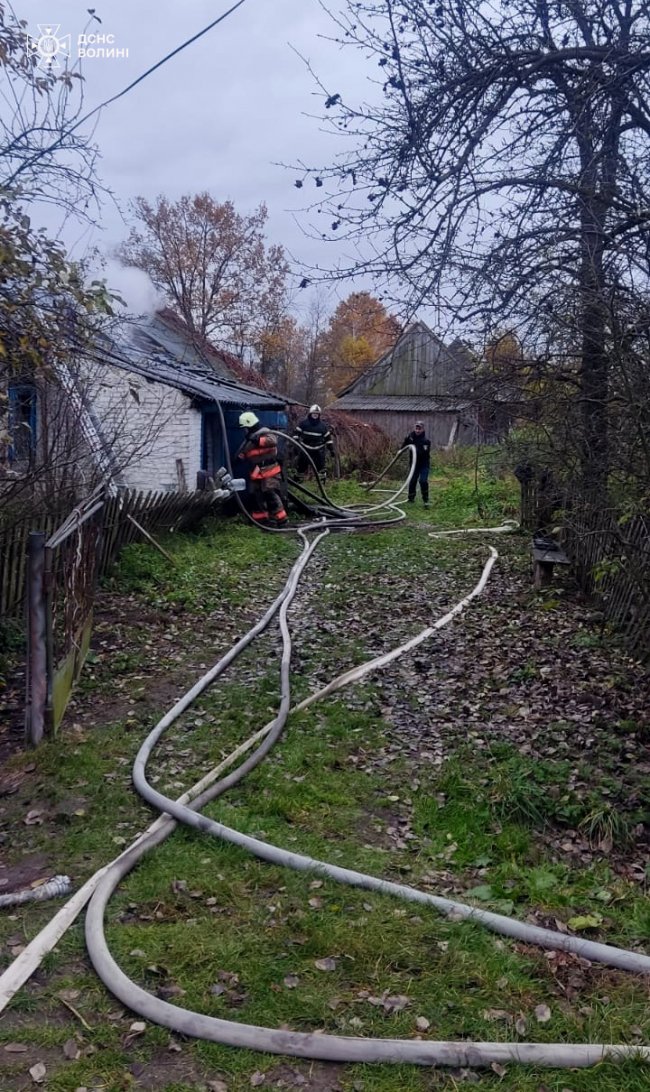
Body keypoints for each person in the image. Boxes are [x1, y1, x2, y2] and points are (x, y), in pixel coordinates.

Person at [235, 411, 288, 527]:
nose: (245, 430)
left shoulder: (265, 433)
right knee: (256, 496)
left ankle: (281, 520)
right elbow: (245, 452)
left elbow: (273, 441)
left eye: (246, 427)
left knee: (271, 494)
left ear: (251, 425)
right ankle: (261, 520)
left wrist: (257, 440)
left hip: (270, 470)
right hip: (257, 473)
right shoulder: (248, 440)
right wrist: (239, 458)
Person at [293, 404, 334, 479]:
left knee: (321, 468)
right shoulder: (303, 424)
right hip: (305, 448)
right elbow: (296, 435)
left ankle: (322, 484)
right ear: (310, 414)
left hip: (318, 450)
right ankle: (298, 481)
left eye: (317, 414)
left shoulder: (323, 426)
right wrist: (296, 446)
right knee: (301, 466)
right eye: (314, 414)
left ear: (319, 415)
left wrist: (331, 450)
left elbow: (328, 439)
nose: (315, 415)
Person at [402, 421, 431, 505]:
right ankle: (411, 499)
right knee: (413, 480)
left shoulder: (426, 441)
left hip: (423, 464)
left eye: (419, 429)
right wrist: (400, 451)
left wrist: (414, 449)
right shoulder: (410, 437)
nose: (417, 430)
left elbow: (423, 453)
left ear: (423, 429)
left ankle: (426, 500)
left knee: (423, 481)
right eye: (416, 428)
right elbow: (405, 444)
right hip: (414, 464)